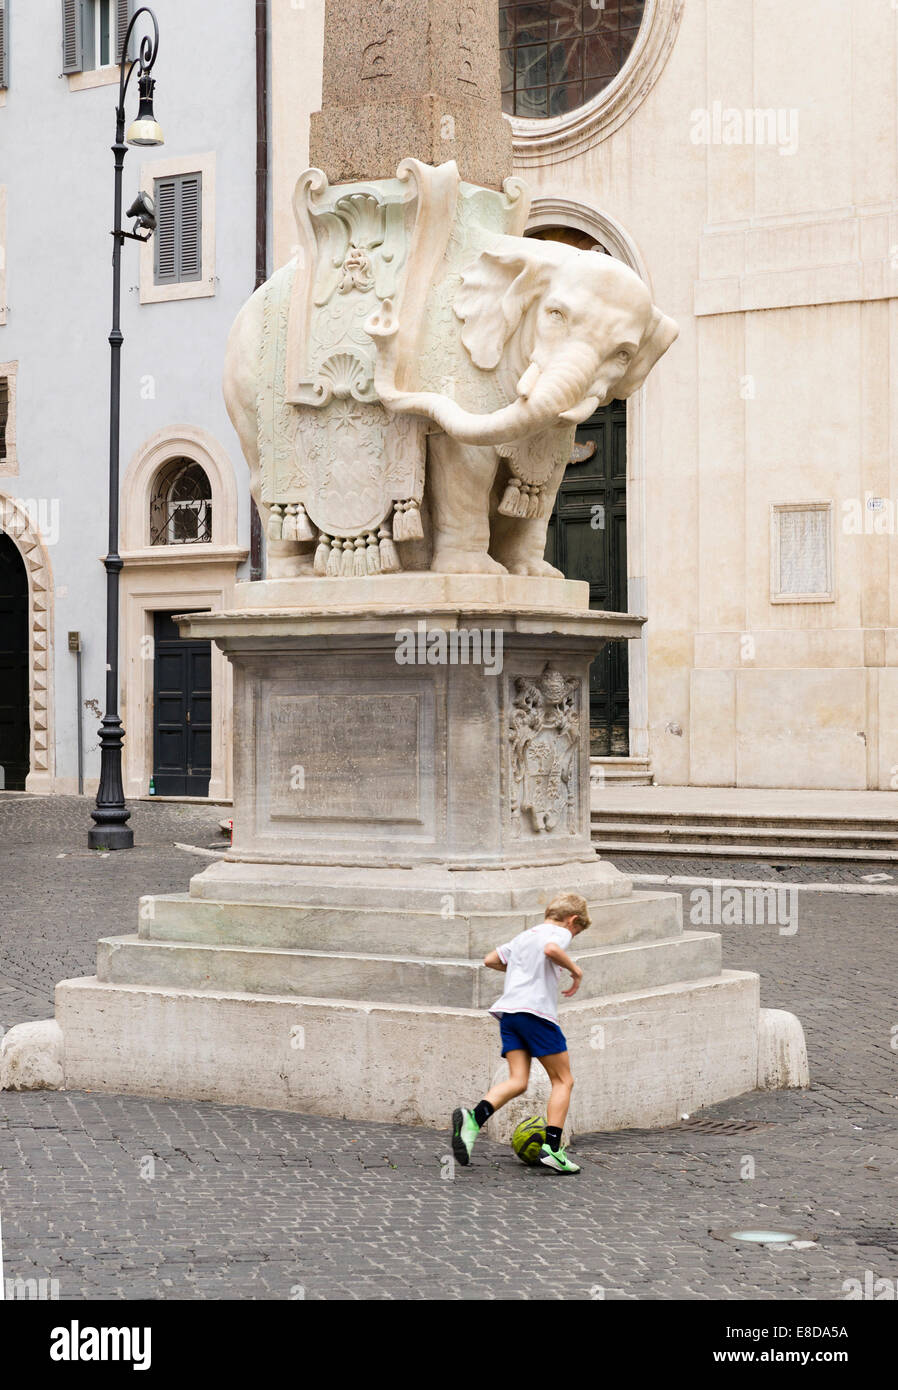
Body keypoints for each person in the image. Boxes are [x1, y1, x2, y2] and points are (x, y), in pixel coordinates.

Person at [450, 891, 591, 1175]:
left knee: (518, 1081)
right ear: (572, 920)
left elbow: (490, 959)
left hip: (509, 1014)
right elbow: (552, 950)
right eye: (576, 931)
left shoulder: (525, 935)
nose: (572, 936)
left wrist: (523, 971)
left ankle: (473, 1121)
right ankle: (553, 1148)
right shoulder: (558, 932)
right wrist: (576, 971)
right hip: (536, 1013)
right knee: (563, 1080)